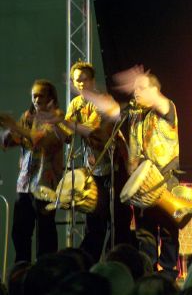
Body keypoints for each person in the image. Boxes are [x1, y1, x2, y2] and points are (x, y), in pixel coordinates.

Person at [82, 66, 180, 280]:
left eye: (141, 89)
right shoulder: (133, 113)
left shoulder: (166, 107)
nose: (136, 92)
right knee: (145, 233)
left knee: (167, 230)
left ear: (154, 90)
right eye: (135, 89)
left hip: (164, 179)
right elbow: (111, 109)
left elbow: (158, 100)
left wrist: (144, 84)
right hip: (141, 183)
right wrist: (86, 92)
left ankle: (169, 275)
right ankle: (148, 273)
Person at [42, 61, 132, 262]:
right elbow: (66, 135)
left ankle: (120, 262)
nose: (80, 85)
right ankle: (87, 263)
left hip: (114, 166)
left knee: (118, 219)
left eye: (83, 80)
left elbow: (96, 134)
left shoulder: (104, 101)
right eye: (76, 81)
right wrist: (54, 123)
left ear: (92, 80)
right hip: (93, 170)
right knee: (95, 220)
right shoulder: (75, 105)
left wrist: (64, 122)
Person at [0, 79, 64, 262]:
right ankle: (22, 271)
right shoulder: (27, 117)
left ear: (50, 97)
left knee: (45, 234)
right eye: (33, 96)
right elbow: (14, 140)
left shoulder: (56, 118)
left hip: (45, 184)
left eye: (40, 95)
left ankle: (45, 273)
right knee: (20, 233)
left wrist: (15, 126)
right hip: (25, 184)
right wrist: (7, 132)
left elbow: (40, 140)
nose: (36, 99)